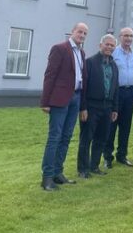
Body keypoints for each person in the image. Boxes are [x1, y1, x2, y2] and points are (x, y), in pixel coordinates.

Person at [40, 22, 88, 191]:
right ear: (73, 31)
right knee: (55, 137)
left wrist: (83, 106)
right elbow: (49, 75)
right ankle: (47, 177)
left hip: (76, 98)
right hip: (60, 99)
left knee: (66, 137)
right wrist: (45, 102)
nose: (82, 35)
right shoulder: (59, 48)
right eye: (80, 32)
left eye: (85, 33)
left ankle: (57, 173)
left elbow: (83, 79)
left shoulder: (81, 53)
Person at [77, 34, 119, 178]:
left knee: (101, 138)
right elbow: (83, 87)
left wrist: (115, 108)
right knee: (86, 139)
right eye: (107, 44)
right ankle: (83, 169)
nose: (109, 47)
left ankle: (94, 166)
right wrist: (83, 108)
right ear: (100, 45)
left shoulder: (114, 65)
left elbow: (116, 88)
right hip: (91, 106)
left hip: (107, 107)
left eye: (112, 45)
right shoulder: (90, 62)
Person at [104, 27, 133, 168]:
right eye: (126, 36)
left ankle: (122, 155)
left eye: (131, 36)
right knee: (112, 125)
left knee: (126, 125)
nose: (128, 38)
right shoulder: (114, 52)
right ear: (120, 37)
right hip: (116, 92)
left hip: (130, 92)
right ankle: (107, 157)